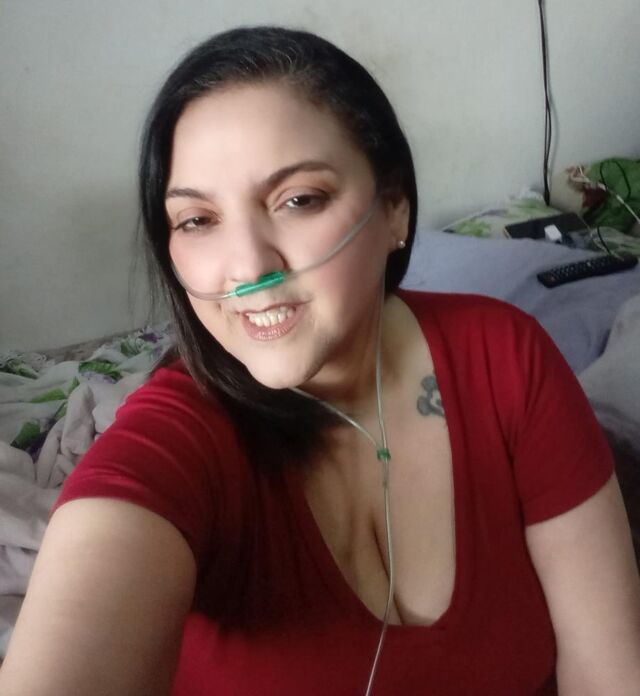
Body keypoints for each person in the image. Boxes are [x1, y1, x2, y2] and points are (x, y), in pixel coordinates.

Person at [1, 26, 639, 696]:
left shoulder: (505, 359)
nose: (248, 268)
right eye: (197, 220)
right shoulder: (176, 441)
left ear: (395, 207)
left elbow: (608, 672)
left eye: (298, 200)